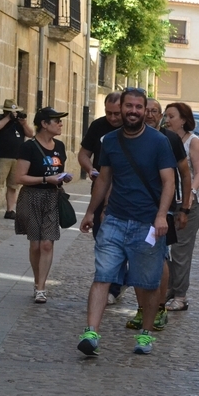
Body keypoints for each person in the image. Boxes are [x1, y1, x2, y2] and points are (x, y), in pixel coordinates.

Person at [77, 87, 176, 356]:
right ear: (121, 108)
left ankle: (145, 333)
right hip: (115, 220)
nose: (133, 111)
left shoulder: (158, 142)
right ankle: (91, 333)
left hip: (147, 223)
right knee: (102, 276)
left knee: (148, 283)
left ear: (144, 110)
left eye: (138, 107)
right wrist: (90, 212)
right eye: (128, 106)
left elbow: (169, 181)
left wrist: (161, 215)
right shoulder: (109, 140)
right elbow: (104, 179)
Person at [123, 98, 191, 333]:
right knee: (136, 258)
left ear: (161, 116)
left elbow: (185, 174)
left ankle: (159, 308)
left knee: (158, 258)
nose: (150, 115)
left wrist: (184, 208)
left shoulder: (170, 139)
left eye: (155, 111)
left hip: (162, 210)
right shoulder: (129, 137)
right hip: (133, 209)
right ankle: (143, 309)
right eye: (148, 110)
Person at [13, 107, 73, 303]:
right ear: (44, 124)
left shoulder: (60, 146)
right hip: (31, 197)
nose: (61, 124)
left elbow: (57, 171)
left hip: (52, 197)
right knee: (36, 244)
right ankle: (37, 279)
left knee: (47, 244)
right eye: (57, 121)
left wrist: (63, 177)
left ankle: (41, 287)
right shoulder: (28, 147)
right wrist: (47, 179)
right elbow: (20, 177)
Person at [78, 92, 125, 304]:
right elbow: (83, 154)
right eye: (108, 113)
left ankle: (114, 286)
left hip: (123, 191)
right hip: (100, 187)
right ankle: (111, 282)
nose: (113, 118)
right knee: (102, 236)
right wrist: (90, 169)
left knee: (120, 239)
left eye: (116, 113)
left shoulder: (132, 128)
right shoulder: (98, 126)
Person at [162, 103, 199, 311]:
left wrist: (191, 194)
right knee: (162, 249)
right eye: (165, 116)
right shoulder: (163, 139)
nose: (167, 120)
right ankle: (170, 287)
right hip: (167, 201)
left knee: (180, 250)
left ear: (183, 120)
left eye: (171, 116)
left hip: (188, 203)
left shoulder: (192, 141)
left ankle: (180, 295)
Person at [0, 99, 34, 220]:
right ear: (5, 111)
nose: (14, 114)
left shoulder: (19, 123)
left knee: (13, 186)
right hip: (1, 157)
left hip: (17, 158)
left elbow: (30, 134)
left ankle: (10, 210)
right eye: (11, 112)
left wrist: (24, 124)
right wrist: (8, 118)